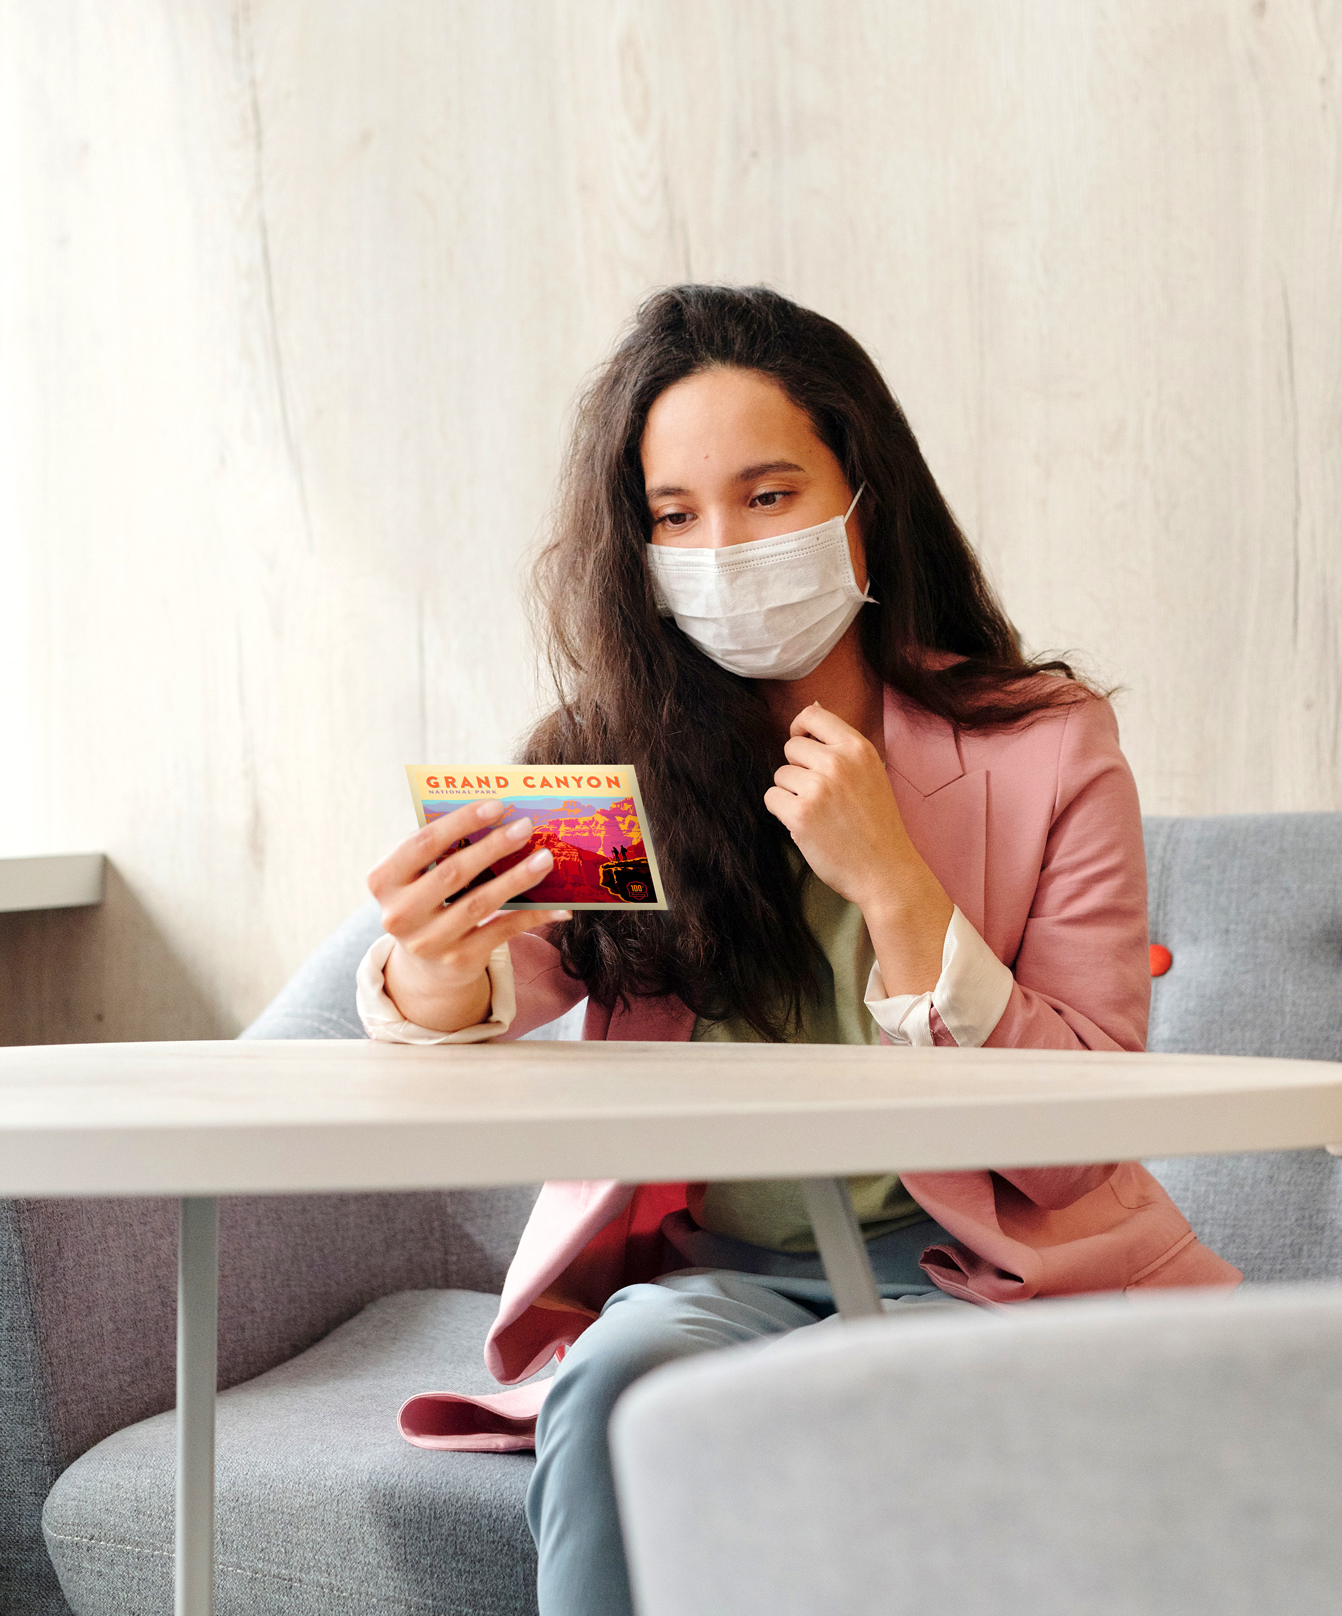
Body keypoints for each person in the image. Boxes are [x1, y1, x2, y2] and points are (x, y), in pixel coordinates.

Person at [357, 285, 1239, 1616]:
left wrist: (896, 884)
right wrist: (432, 967)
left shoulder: (1046, 746)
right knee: (617, 1381)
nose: (721, 549)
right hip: (718, 1279)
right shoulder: (606, 760)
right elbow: (501, 983)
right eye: (675, 516)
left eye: (768, 497)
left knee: (925, 1434)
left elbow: (1084, 1129)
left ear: (861, 499)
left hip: (989, 1281)